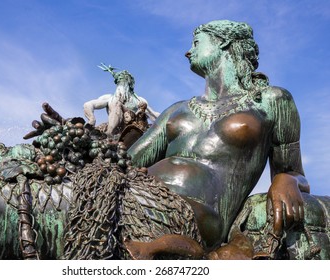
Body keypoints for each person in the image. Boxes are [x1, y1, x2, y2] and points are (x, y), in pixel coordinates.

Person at [128, 20, 309, 251]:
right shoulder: (177, 109)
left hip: (197, 214)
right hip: (140, 191)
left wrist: (287, 179)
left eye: (196, 43)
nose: (188, 51)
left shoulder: (272, 101)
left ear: (222, 42)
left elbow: (294, 171)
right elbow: (125, 162)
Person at [83, 64, 159, 136]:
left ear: (129, 83)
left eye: (125, 80)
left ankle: (109, 133)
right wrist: (92, 120)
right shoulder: (109, 98)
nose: (121, 83)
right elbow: (88, 105)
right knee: (117, 103)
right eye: (119, 81)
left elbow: (154, 114)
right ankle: (109, 133)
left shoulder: (139, 100)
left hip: (135, 130)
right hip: (117, 130)